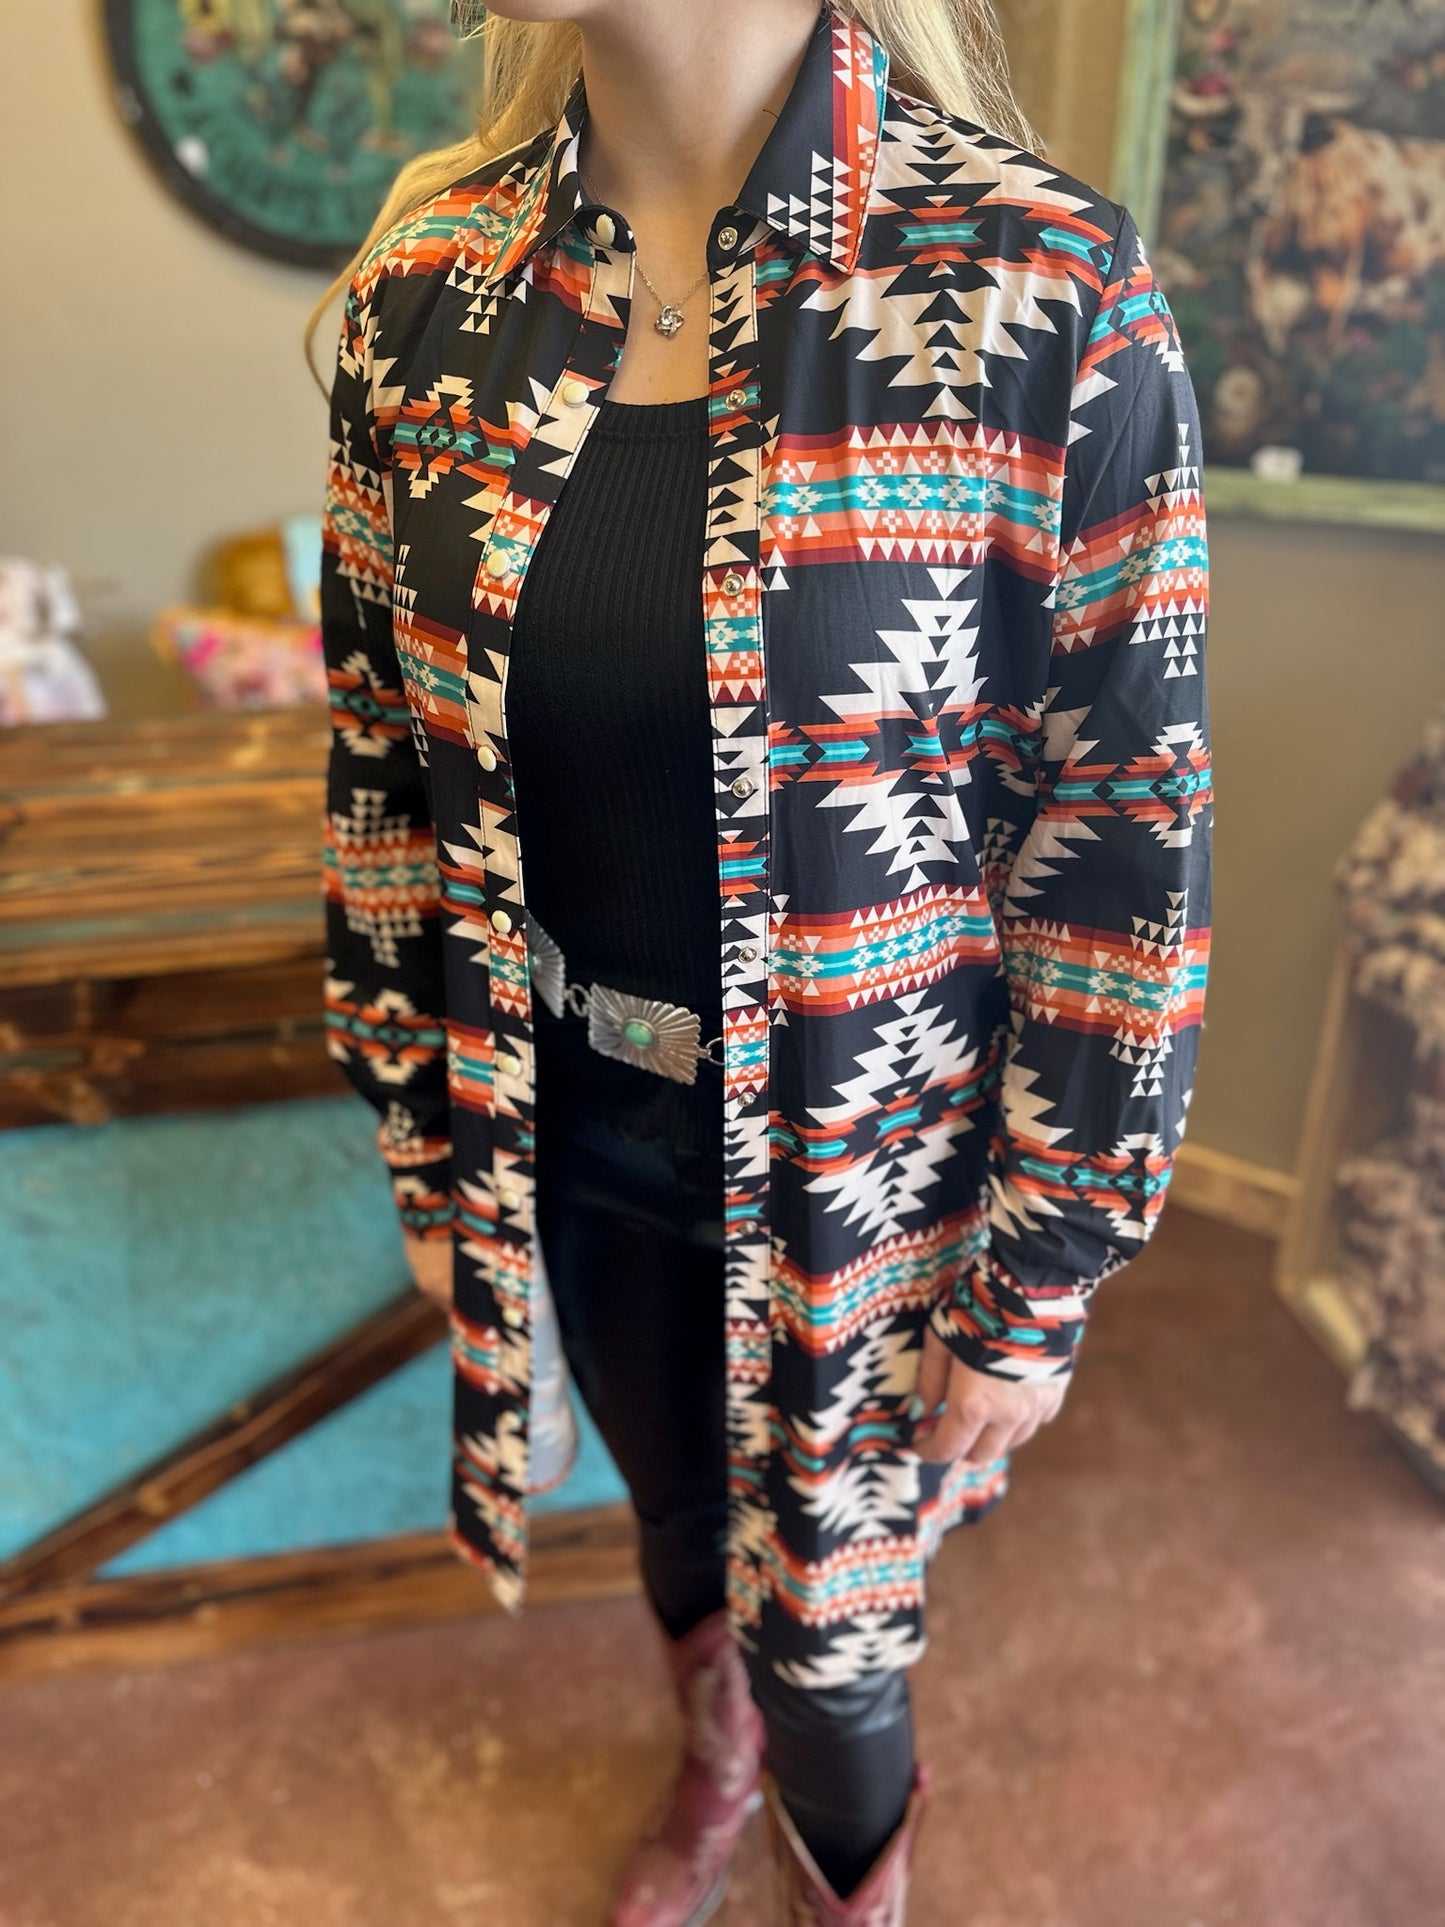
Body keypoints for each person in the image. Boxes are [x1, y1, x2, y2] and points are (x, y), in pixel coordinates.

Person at [309, 3, 1212, 1920]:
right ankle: (707, 1754)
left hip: (863, 1172)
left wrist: (1045, 1261)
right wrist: (422, 1144)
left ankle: (831, 1865)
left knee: (835, 1638)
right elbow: (381, 764)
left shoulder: (1038, 288)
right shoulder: (429, 291)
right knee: (669, 1520)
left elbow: (1123, 827)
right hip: (561, 1130)